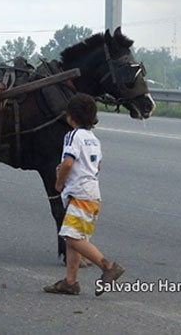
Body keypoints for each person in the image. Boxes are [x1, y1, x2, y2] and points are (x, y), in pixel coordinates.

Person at [43, 94, 124, 296]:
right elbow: (97, 166)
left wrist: (59, 182)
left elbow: (68, 163)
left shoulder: (73, 136)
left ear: (71, 116)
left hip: (79, 194)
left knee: (71, 238)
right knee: (75, 237)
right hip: (92, 194)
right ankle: (70, 282)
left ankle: (107, 267)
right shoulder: (94, 139)